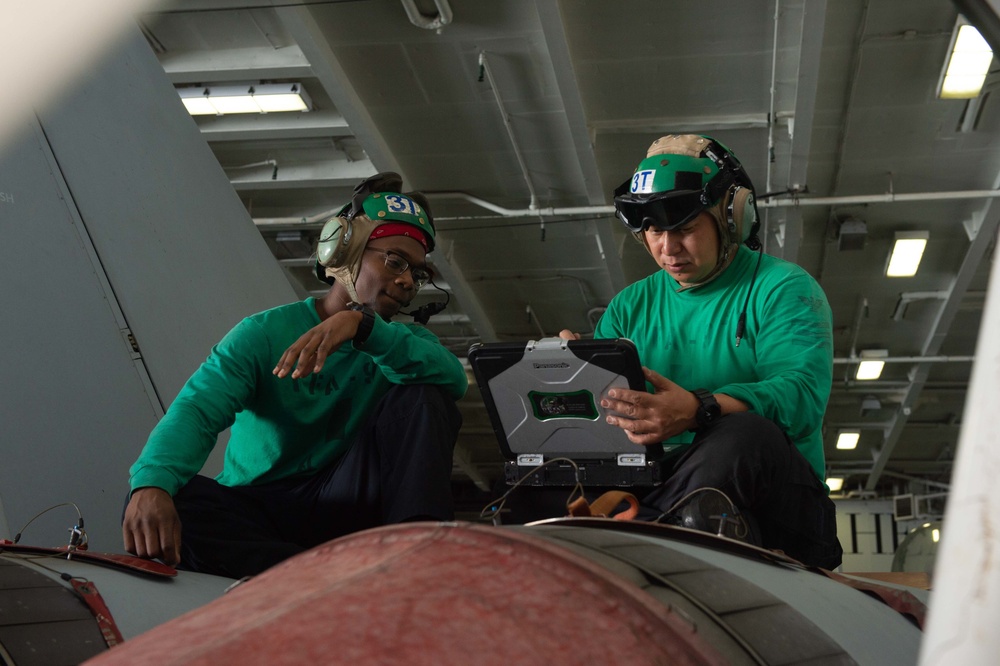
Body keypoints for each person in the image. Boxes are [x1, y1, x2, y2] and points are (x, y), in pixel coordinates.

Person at [122, 172, 467, 579]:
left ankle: (416, 559)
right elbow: (197, 411)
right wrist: (151, 484)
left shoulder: (403, 344)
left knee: (425, 393)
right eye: (393, 261)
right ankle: (316, 577)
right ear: (342, 251)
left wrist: (362, 327)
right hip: (258, 507)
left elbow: (453, 380)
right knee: (168, 497)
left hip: (344, 506)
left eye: (418, 272)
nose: (408, 281)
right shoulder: (264, 333)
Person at [562, 134, 842, 569]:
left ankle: (637, 538)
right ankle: (646, 529)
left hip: (780, 505)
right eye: (654, 230)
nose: (668, 249)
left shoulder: (784, 288)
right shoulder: (628, 307)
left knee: (747, 435)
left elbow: (801, 397)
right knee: (546, 468)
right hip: (661, 485)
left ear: (732, 218)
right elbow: (613, 423)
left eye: (686, 228)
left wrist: (698, 409)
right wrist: (576, 380)